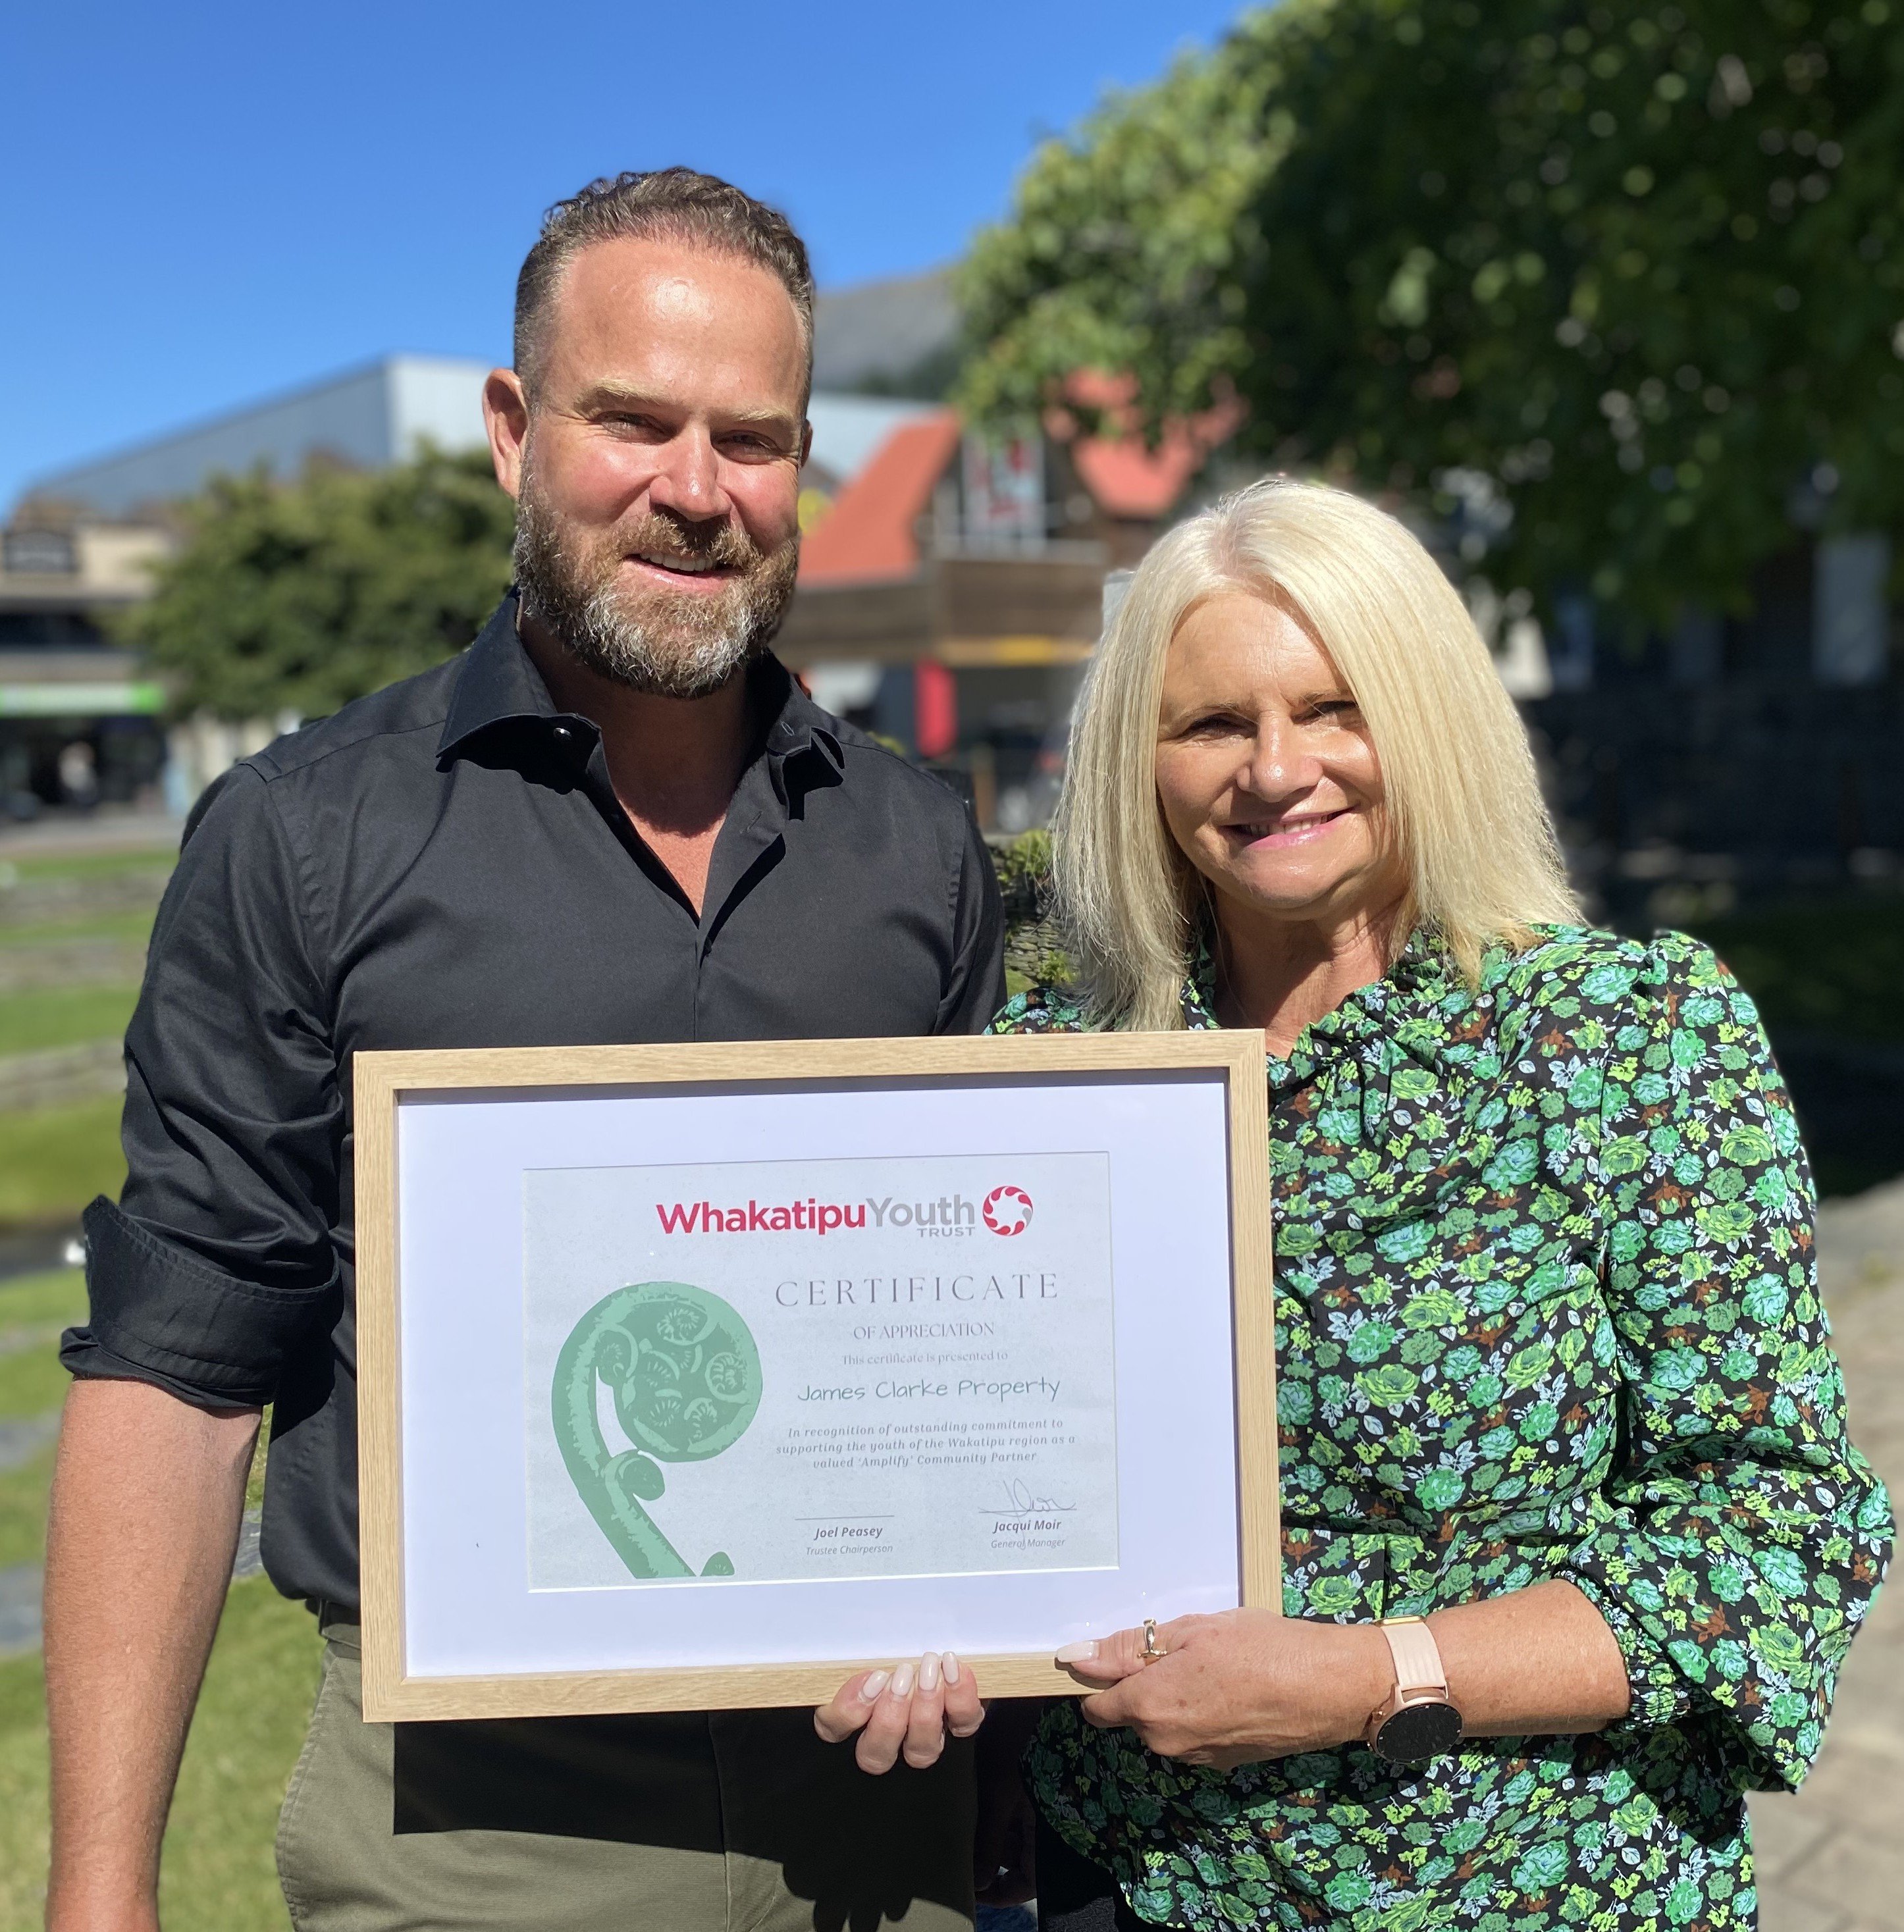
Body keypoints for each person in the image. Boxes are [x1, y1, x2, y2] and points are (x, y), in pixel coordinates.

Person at [44, 169, 1005, 1932]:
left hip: (875, 1819)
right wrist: (104, 1893)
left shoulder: (919, 849)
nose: (695, 493)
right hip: (473, 1815)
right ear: (510, 429)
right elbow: (178, 1373)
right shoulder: (306, 839)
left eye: (753, 437)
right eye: (629, 421)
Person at [836, 477, 1893, 1931]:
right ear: (1139, 762)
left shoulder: (1625, 1036)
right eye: (1214, 723)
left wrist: (1362, 1677)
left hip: (1545, 1886)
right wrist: (906, 1613)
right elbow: (952, 1469)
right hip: (1139, 1887)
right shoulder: (1052, 1082)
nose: (1277, 769)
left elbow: (1772, 1534)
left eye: (1337, 708)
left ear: (1432, 717)